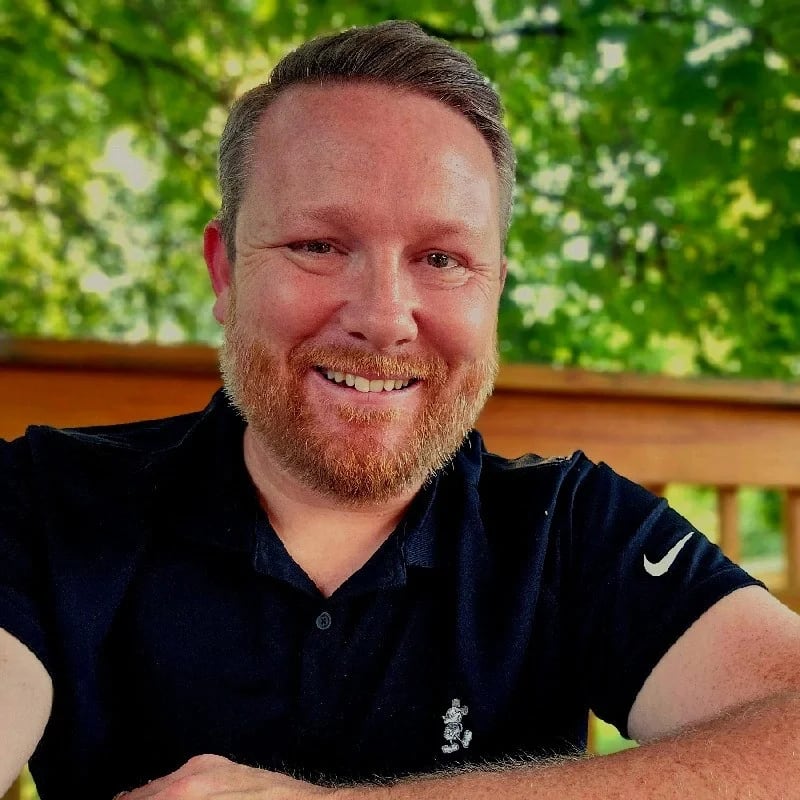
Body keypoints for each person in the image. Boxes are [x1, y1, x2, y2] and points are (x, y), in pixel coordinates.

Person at [1, 20, 799, 800]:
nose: (383, 318)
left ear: (494, 292)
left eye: (442, 258)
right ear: (226, 272)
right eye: (318, 245)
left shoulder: (571, 528)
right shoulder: (43, 501)